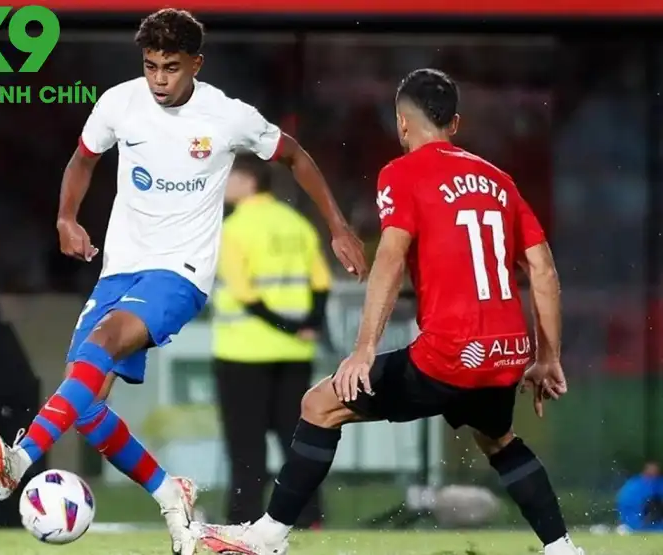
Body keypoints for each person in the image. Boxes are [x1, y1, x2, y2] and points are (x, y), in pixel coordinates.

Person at [0, 8, 367, 555]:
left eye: (171, 67)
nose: (159, 79)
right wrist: (66, 217)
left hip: (180, 272)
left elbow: (295, 157)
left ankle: (20, 460)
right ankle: (170, 494)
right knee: (82, 403)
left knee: (105, 342)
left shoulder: (227, 116)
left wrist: (339, 228)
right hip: (119, 270)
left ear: (196, 64)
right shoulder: (119, 103)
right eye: (151, 66)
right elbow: (83, 160)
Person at [197, 68, 585, 555]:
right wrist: (547, 357)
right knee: (498, 438)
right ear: (455, 123)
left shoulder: (401, 173)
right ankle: (561, 547)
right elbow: (543, 270)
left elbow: (390, 258)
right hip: (506, 353)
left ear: (402, 123)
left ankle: (267, 536)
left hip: (449, 354)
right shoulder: (499, 180)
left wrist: (364, 350)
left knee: (320, 405)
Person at [212, 154, 329, 528]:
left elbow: (245, 295)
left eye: (230, 177)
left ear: (249, 181)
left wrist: (286, 327)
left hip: (242, 352)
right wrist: (307, 325)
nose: (224, 184)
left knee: (246, 447)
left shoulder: (234, 229)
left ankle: (243, 520)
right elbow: (321, 283)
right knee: (298, 441)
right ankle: (309, 518)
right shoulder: (296, 223)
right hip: (295, 354)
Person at [617, 461, 663, 533]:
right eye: (650, 474)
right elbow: (626, 506)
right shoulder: (633, 486)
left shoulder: (659, 483)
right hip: (636, 523)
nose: (653, 476)